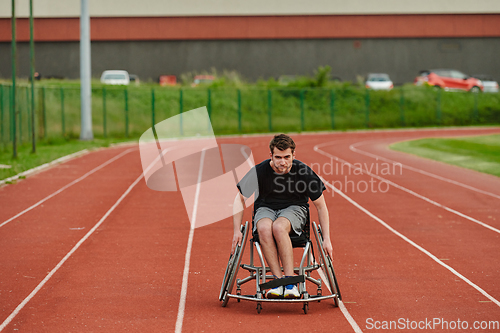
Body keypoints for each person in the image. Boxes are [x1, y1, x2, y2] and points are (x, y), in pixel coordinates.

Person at [232, 134, 333, 299]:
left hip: (295, 209)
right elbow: (239, 199)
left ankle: (290, 282)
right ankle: (279, 282)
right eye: (278, 157)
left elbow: (321, 206)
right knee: (264, 228)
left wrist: (326, 239)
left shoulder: (303, 172)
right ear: (270, 155)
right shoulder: (260, 171)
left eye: (287, 157)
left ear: (294, 155)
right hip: (266, 208)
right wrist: (237, 231)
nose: (283, 162)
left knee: (279, 227)